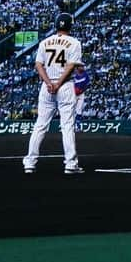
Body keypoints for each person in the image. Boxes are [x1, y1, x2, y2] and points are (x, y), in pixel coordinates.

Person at [22, 12, 84, 175]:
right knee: (67, 126)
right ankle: (70, 164)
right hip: (64, 86)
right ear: (70, 25)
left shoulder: (45, 42)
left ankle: (30, 162)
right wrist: (57, 83)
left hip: (47, 87)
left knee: (40, 125)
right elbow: (71, 66)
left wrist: (49, 83)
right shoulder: (74, 42)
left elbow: (38, 65)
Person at [73, 64, 90, 129]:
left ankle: (78, 126)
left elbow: (87, 85)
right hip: (73, 94)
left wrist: (82, 90)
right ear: (77, 67)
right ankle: (72, 126)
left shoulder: (85, 75)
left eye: (83, 66)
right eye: (81, 66)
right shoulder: (73, 74)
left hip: (81, 94)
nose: (82, 67)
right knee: (72, 110)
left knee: (79, 110)